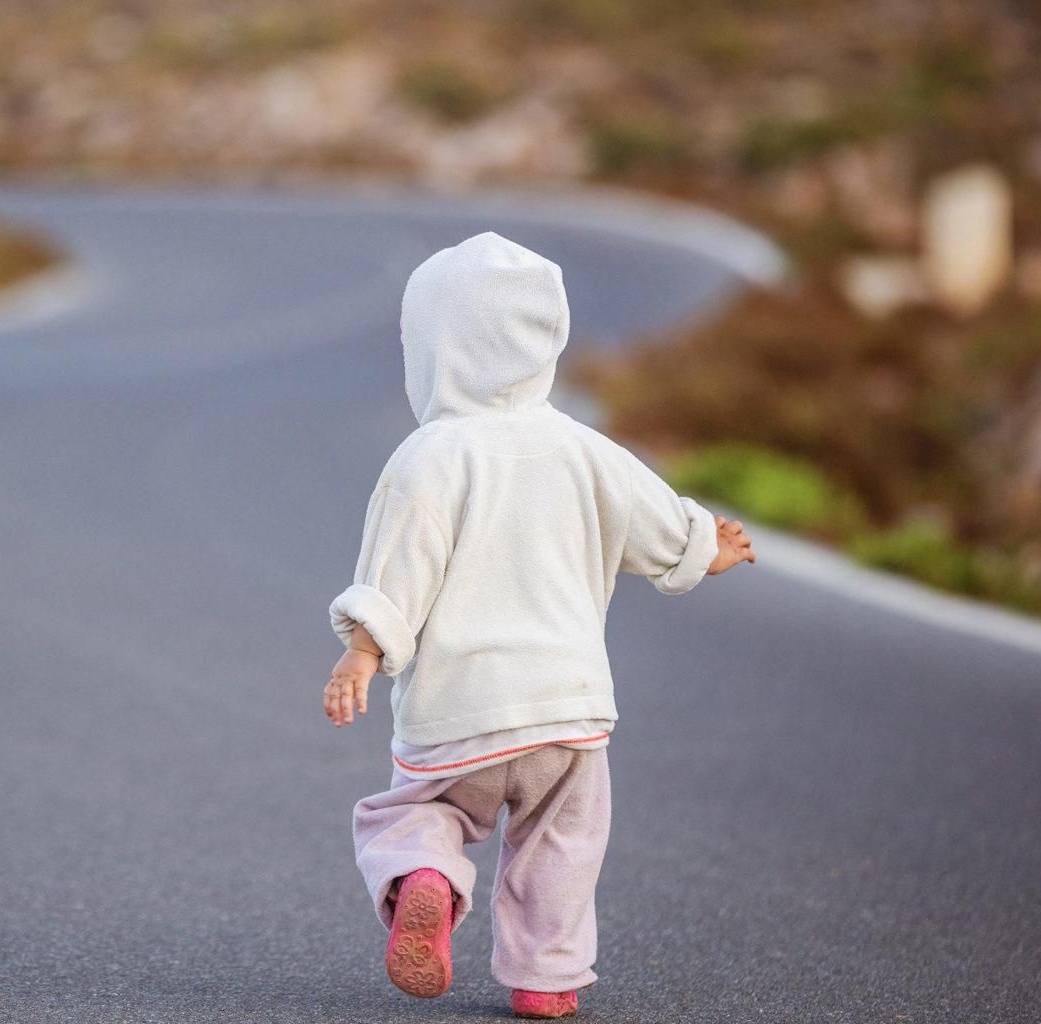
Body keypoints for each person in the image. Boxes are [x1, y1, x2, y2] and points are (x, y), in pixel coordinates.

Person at [323, 231, 755, 1019]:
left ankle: (427, 876)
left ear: (436, 349)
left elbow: (399, 567)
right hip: (568, 707)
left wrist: (363, 649)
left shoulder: (430, 456)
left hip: (460, 709)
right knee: (562, 842)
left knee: (419, 812)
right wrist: (708, 549)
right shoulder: (583, 449)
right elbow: (659, 525)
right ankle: (546, 979)